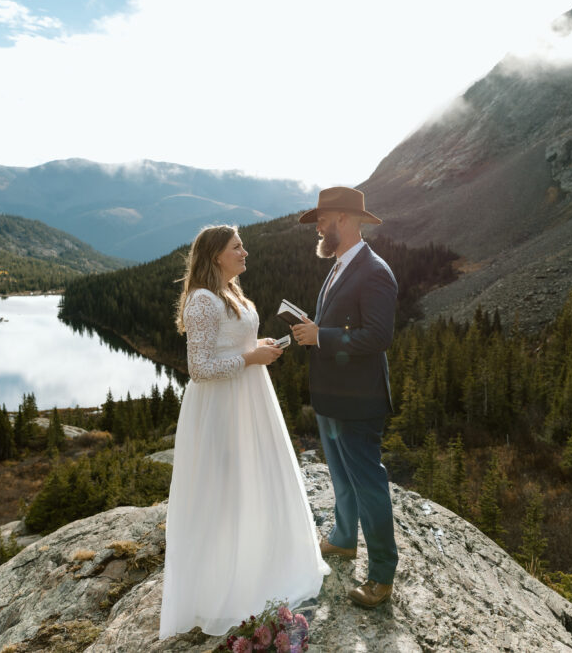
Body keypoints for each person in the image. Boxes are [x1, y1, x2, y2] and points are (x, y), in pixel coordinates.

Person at [159, 225, 329, 639]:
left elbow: (232, 345)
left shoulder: (231, 292)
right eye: (238, 247)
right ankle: (223, 587)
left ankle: (258, 568)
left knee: (255, 483)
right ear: (216, 254)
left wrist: (259, 347)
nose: (245, 252)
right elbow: (198, 368)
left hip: (248, 400)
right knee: (225, 491)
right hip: (220, 409)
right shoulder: (201, 300)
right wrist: (251, 358)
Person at [290, 187, 399, 609]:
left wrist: (323, 336)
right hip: (332, 398)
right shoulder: (339, 266)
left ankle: (382, 576)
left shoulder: (374, 271)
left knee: (368, 482)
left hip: (358, 401)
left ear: (347, 220)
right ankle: (342, 539)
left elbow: (379, 335)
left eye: (324, 219)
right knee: (340, 475)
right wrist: (315, 330)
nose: (318, 226)